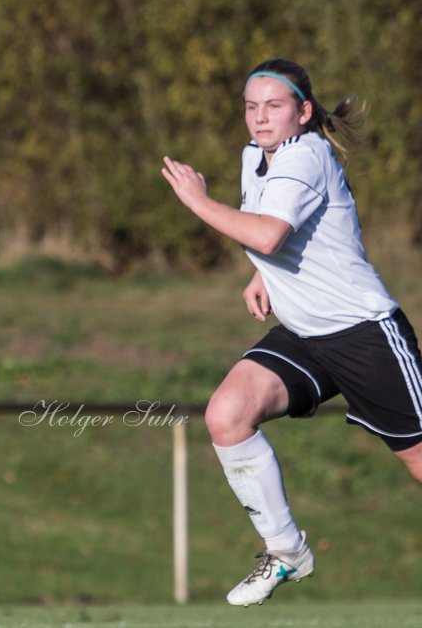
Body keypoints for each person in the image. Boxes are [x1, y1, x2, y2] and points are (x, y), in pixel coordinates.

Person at [162, 58, 422, 607]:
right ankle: (285, 551)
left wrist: (198, 202)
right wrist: (263, 275)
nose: (259, 118)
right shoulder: (255, 158)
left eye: (273, 106)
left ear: (303, 112)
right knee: (226, 415)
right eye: (251, 107)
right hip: (304, 333)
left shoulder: (306, 155)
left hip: (362, 333)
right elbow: (284, 234)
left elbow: (270, 233)